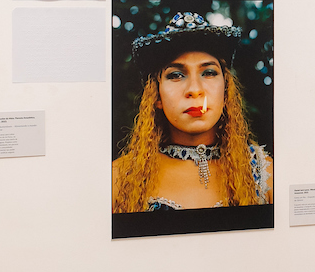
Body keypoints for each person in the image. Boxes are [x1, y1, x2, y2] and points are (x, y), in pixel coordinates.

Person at [112, 12, 272, 212]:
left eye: (209, 72)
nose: (195, 89)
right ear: (157, 96)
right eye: (176, 75)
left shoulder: (263, 174)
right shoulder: (120, 179)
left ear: (226, 90)